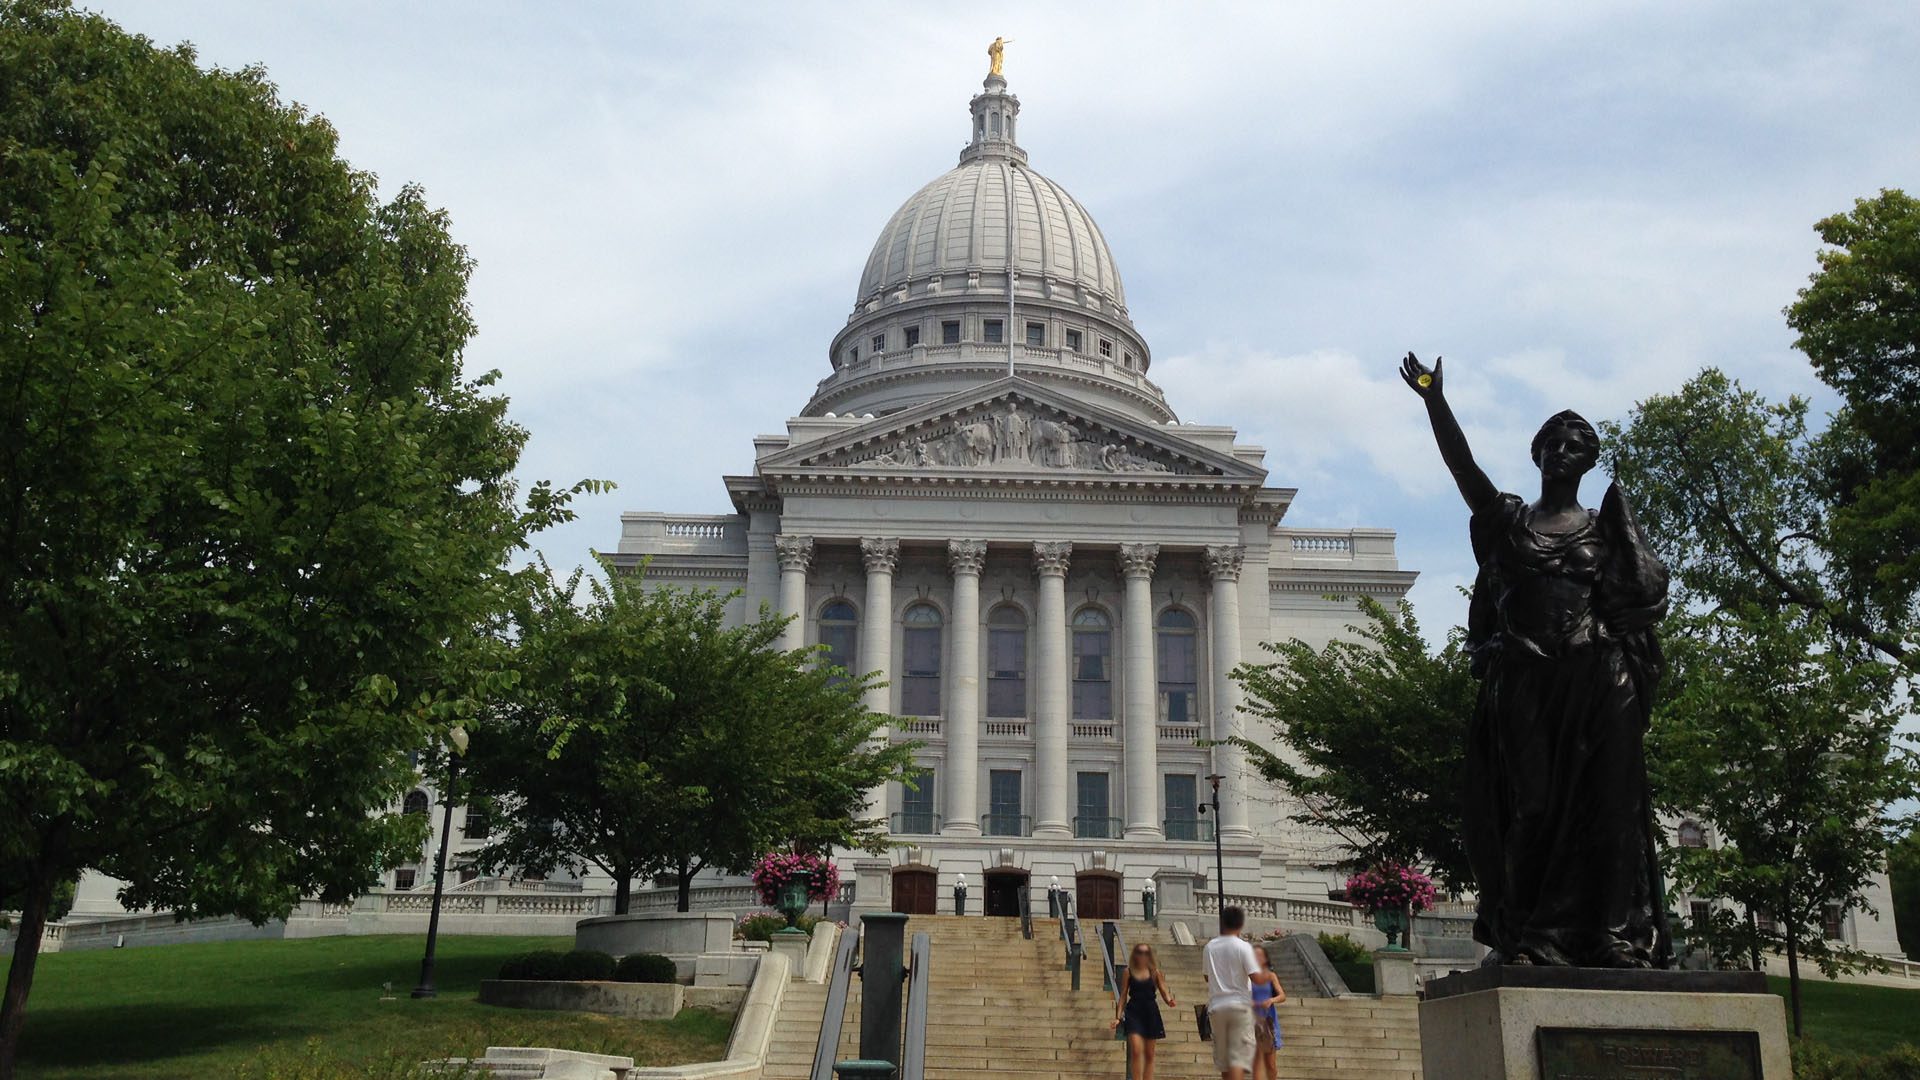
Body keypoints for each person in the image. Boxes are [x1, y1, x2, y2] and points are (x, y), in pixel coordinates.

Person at [1400, 353, 1671, 968]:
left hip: (1601, 681)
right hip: (1527, 682)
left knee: (1610, 809)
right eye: (1553, 441)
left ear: (1588, 460)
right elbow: (1463, 469)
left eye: (1576, 444)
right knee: (1532, 806)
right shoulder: (1509, 522)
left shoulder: (1607, 530)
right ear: (1538, 453)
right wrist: (1434, 400)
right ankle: (1532, 935)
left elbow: (1644, 595)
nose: (1563, 450)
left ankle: (1608, 934)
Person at [1202, 905, 1260, 1080]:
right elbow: (1256, 977)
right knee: (1238, 1060)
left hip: (1217, 1007)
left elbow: (1207, 977)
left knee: (1225, 1061)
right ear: (1240, 925)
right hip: (1239, 1006)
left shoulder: (1209, 947)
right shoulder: (1243, 947)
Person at [1110, 942, 1176, 1080]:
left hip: (1150, 1012)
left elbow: (1164, 990)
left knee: (1150, 1053)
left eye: (1146, 953)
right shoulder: (1129, 972)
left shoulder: (1155, 973)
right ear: (1135, 955)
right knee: (1136, 1049)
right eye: (1139, 952)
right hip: (1134, 1011)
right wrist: (1118, 1017)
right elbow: (1123, 995)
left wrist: (1169, 1000)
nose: (1142, 956)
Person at [1249, 944, 1286, 1080]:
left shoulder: (1271, 976)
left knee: (1270, 1065)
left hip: (1267, 1021)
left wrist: (1271, 1000)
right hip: (1251, 1021)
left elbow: (1282, 996)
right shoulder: (1247, 976)